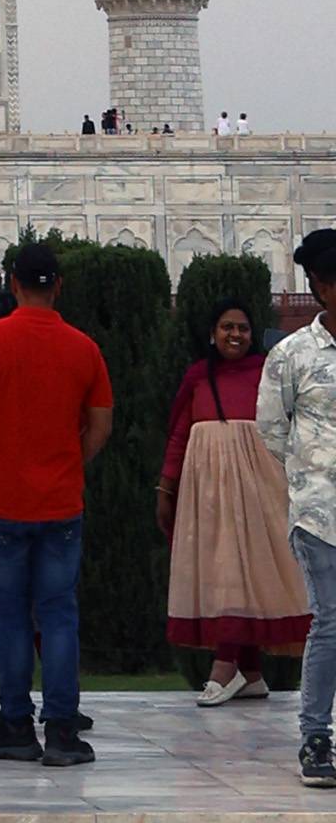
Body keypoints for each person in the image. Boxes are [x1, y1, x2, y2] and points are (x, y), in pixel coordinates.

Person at [0, 242, 113, 768]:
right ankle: (63, 730)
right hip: (60, 501)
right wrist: (69, 459)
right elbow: (100, 425)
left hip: (1, 499)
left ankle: (17, 725)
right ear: (58, 285)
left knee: (12, 617)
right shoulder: (83, 347)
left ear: (13, 283)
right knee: (59, 615)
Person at [161, 298, 306, 703]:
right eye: (227, 327)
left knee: (247, 570)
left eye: (242, 328)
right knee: (222, 569)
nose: (234, 335)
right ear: (213, 333)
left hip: (260, 484)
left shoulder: (267, 373)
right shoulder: (197, 377)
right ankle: (250, 670)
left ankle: (225, 667)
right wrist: (165, 486)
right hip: (208, 489)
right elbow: (178, 434)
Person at [260, 230, 336, 786]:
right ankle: (315, 737)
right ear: (320, 286)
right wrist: (313, 472)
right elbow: (272, 429)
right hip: (320, 512)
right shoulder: (292, 355)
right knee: (331, 622)